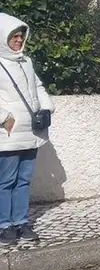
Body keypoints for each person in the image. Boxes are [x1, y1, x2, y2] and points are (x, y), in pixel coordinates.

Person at [0, 13, 55, 245]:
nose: (19, 40)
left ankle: (21, 222)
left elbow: (38, 86)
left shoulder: (26, 62)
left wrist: (47, 106)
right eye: (14, 36)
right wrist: (4, 118)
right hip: (9, 134)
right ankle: (4, 225)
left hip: (31, 132)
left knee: (23, 180)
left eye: (21, 36)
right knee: (6, 181)